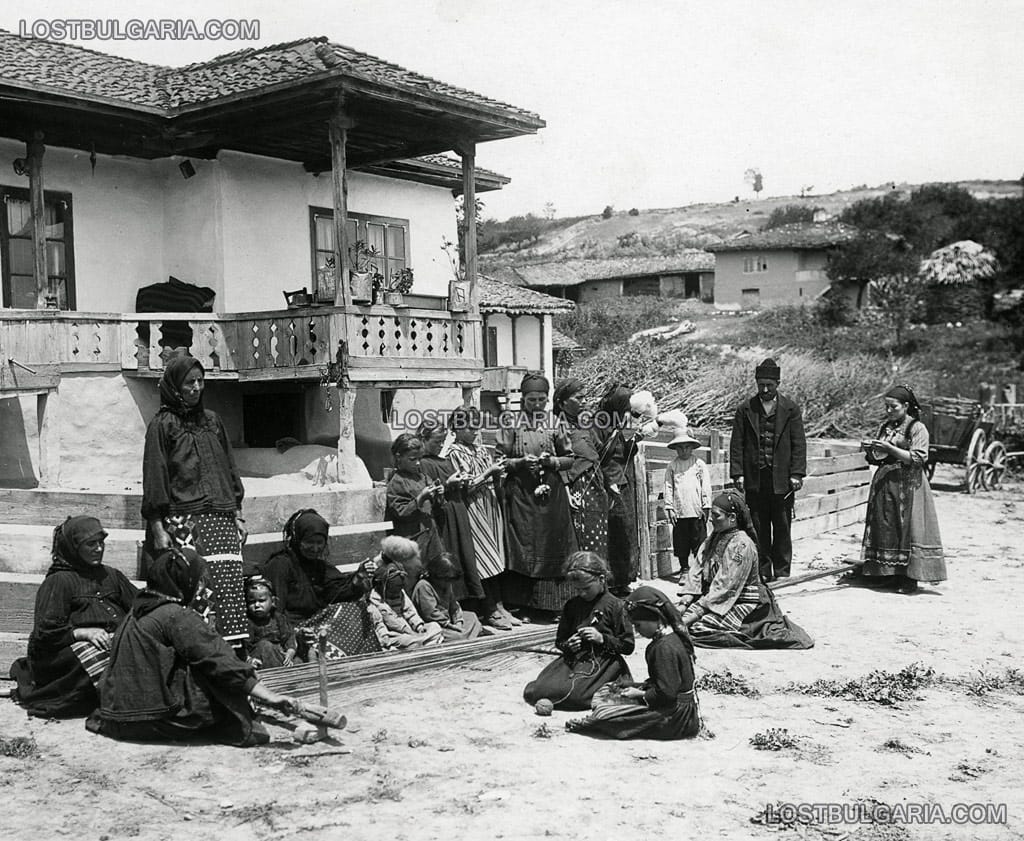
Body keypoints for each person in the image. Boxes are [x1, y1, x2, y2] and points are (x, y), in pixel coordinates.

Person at [89, 547, 302, 747]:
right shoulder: (175, 615)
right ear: (184, 581)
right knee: (217, 681)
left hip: (118, 716)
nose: (199, 587)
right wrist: (269, 696)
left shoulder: (136, 610)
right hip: (156, 718)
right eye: (197, 581)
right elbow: (217, 659)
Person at [142, 355, 248, 646]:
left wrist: (237, 513)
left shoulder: (212, 421)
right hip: (184, 522)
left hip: (223, 519)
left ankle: (232, 656)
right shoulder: (163, 425)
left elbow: (229, 467)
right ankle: (201, 652)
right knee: (199, 590)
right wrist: (158, 528)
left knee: (228, 589)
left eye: (201, 381)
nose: (197, 387)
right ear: (175, 386)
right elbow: (155, 475)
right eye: (190, 382)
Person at [10, 517, 137, 718]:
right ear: (73, 548)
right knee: (97, 654)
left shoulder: (111, 575)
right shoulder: (59, 581)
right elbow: (45, 633)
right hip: (63, 653)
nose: (98, 549)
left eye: (101, 542)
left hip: (110, 641)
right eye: (91, 544)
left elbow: (139, 606)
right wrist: (82, 632)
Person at [679, 490, 813, 649]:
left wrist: (691, 615)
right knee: (686, 619)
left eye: (716, 516)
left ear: (732, 518)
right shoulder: (713, 538)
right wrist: (685, 600)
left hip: (743, 601)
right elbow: (697, 568)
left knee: (698, 627)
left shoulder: (741, 545)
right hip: (717, 597)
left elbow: (725, 585)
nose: (711, 519)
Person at [566, 586, 700, 741]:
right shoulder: (670, 639)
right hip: (678, 707)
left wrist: (641, 694)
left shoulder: (664, 648)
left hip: (675, 718)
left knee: (610, 718)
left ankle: (594, 722)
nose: (637, 631)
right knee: (614, 687)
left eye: (638, 625)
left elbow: (667, 693)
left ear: (655, 618)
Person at [496, 372, 578, 611]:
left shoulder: (555, 422)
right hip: (521, 494)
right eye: (531, 399)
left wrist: (551, 461)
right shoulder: (510, 422)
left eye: (541, 399)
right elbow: (500, 460)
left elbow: (569, 459)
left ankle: (553, 605)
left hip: (551, 496)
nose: (536, 404)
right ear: (523, 399)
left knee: (552, 544)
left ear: (548, 399)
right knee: (523, 544)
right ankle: (523, 605)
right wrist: (519, 463)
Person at [855, 385, 946, 594]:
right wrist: (872, 450)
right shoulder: (886, 426)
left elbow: (918, 458)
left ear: (906, 406)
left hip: (909, 484)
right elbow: (878, 457)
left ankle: (909, 578)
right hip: (886, 482)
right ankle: (886, 574)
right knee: (886, 525)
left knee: (909, 527)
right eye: (886, 407)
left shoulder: (917, 428)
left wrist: (890, 449)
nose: (889, 411)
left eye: (893, 407)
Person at [262, 509, 380, 659]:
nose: (315, 548)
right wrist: (294, 635)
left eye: (320, 543)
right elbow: (275, 611)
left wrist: (357, 579)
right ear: (297, 539)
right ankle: (325, 659)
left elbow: (337, 593)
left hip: (318, 622)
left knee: (356, 609)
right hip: (294, 630)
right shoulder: (280, 565)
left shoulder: (320, 566)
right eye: (309, 542)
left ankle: (363, 663)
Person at [523, 553, 634, 711]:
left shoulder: (616, 606)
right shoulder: (572, 605)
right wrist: (569, 645)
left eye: (586, 588)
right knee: (539, 691)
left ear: (601, 579)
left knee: (576, 696)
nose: (582, 593)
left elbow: (628, 646)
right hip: (574, 660)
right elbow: (560, 641)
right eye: (577, 590)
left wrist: (602, 638)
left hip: (604, 664)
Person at [729, 357, 807, 581]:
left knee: (782, 527)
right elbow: (737, 444)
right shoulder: (745, 409)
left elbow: (799, 444)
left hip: (782, 480)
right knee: (758, 528)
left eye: (769, 385)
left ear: (778, 383)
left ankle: (782, 573)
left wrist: (797, 473)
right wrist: (738, 473)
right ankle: (762, 572)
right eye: (760, 384)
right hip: (755, 479)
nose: (764, 389)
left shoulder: (791, 409)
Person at [446, 405, 517, 630]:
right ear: (456, 428)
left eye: (476, 425)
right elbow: (465, 487)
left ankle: (500, 606)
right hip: (473, 508)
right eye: (468, 426)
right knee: (484, 560)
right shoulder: (453, 453)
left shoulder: (479, 450)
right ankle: (490, 610)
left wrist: (499, 473)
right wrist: (489, 473)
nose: (474, 430)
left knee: (496, 557)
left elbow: (493, 476)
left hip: (489, 505)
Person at [417, 419, 485, 606]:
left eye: (442, 441)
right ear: (423, 439)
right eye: (436, 442)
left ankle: (469, 602)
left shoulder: (444, 460)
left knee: (464, 556)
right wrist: (448, 485)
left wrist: (462, 481)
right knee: (450, 553)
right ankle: (453, 602)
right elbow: (430, 493)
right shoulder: (423, 463)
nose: (440, 446)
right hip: (444, 516)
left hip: (458, 511)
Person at [553, 379, 609, 560]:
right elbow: (559, 460)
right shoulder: (557, 426)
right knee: (583, 536)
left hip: (595, 485)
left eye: (585, 397)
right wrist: (567, 491)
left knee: (598, 533)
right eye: (579, 398)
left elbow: (599, 450)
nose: (584, 401)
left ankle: (598, 582)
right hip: (578, 488)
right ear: (562, 403)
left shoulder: (584, 423)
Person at [596, 383, 642, 596]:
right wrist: (610, 480)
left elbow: (627, 453)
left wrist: (634, 439)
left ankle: (625, 578)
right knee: (612, 531)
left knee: (626, 530)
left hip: (625, 483)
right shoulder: (601, 426)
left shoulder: (623, 424)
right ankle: (611, 581)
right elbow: (601, 457)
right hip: (609, 484)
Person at [385, 433, 445, 593]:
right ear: (399, 458)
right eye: (412, 459)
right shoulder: (396, 482)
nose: (418, 463)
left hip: (430, 537)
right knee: (412, 578)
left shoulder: (422, 477)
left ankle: (434, 609)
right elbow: (401, 512)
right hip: (412, 540)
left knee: (435, 574)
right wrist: (421, 497)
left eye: (420, 458)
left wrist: (438, 493)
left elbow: (436, 505)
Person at [663, 420, 712, 574]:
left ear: (692, 447)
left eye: (687, 447)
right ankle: (684, 568)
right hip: (680, 512)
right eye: (680, 447)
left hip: (696, 510)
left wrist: (706, 505)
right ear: (676, 449)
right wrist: (669, 507)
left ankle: (698, 571)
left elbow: (706, 486)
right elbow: (668, 486)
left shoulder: (699, 464)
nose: (684, 451)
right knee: (681, 543)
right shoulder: (672, 466)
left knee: (699, 542)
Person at [367, 554, 444, 649]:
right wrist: (386, 637)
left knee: (435, 626)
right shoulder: (375, 601)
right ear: (382, 587)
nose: (396, 593)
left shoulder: (401, 593)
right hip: (394, 634)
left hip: (411, 631)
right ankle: (423, 642)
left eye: (398, 589)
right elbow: (380, 624)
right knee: (410, 642)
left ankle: (423, 641)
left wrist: (419, 626)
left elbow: (409, 611)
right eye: (392, 591)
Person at [412, 554, 487, 642]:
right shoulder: (424, 586)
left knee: (472, 616)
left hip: (449, 621)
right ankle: (468, 635)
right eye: (446, 580)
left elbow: (454, 605)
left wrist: (458, 621)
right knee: (456, 636)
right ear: (436, 576)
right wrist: (449, 625)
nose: (448, 583)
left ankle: (467, 635)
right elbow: (430, 613)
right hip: (436, 624)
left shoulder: (447, 585)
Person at [243, 577, 297, 669]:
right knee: (265, 646)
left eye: (261, 601)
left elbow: (289, 638)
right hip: (259, 660)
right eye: (252, 602)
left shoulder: (279, 618)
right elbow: (244, 648)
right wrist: (249, 660)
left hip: (280, 656)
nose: (257, 605)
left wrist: (290, 653)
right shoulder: (248, 622)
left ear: (273, 601)